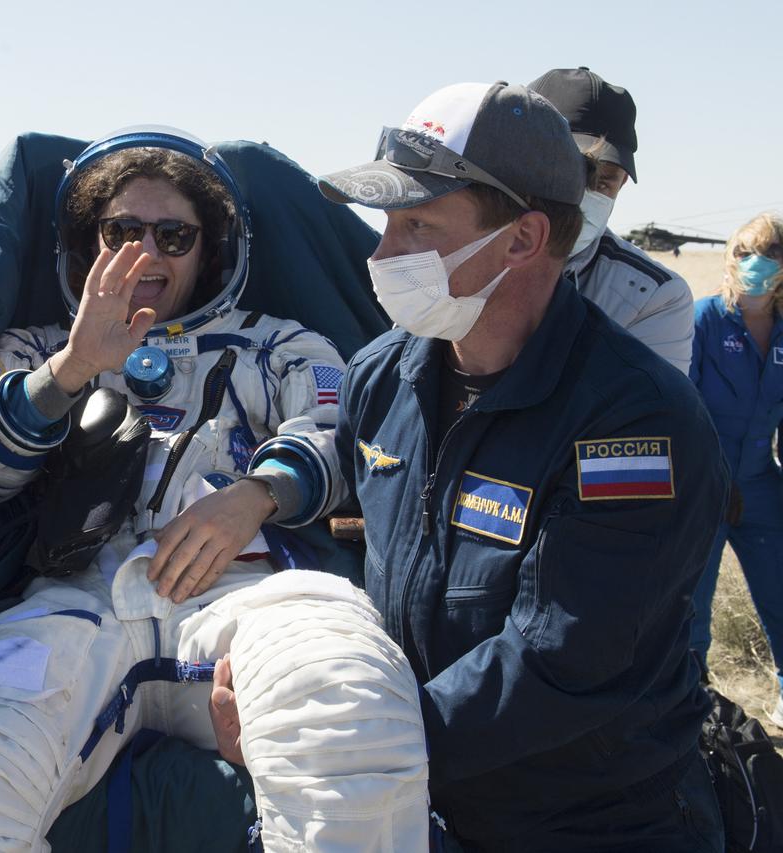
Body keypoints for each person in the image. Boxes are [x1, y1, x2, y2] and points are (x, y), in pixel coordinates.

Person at [0, 128, 429, 853]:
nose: (146, 252)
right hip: (74, 602)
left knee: (352, 717)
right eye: (120, 231)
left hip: (247, 594)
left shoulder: (277, 345)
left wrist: (257, 495)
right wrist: (73, 368)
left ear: (212, 250)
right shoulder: (35, 348)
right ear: (85, 243)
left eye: (174, 235)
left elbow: (347, 431)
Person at [317, 82, 728, 851]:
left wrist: (349, 749)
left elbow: (559, 661)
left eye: (416, 224)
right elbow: (344, 512)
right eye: (383, 223)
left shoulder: (633, 423)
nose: (381, 253)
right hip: (427, 798)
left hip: (589, 824)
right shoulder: (382, 376)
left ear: (522, 239)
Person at [529, 67, 693, 373]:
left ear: (623, 182)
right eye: (570, 172)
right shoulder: (455, 248)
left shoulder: (654, 297)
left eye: (604, 182)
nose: (583, 194)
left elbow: (649, 413)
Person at [688, 212, 783, 729]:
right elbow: (682, 405)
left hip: (762, 487)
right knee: (692, 603)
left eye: (767, 253)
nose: (754, 264)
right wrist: (706, 481)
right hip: (706, 484)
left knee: (780, 593)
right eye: (744, 252)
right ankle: (696, 708)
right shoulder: (705, 318)